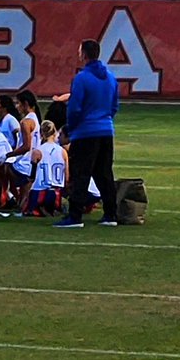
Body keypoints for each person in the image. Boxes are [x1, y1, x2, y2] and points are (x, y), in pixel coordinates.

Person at [54, 40, 118, 229]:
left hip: (85, 132)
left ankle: (75, 216)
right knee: (104, 173)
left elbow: (74, 108)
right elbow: (114, 105)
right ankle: (110, 214)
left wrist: (72, 128)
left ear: (84, 55)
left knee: (80, 174)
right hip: (106, 130)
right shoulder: (111, 77)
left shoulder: (81, 78)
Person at [26, 121, 66, 216]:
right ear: (55, 133)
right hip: (57, 193)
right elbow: (67, 177)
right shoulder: (63, 152)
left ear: (41, 133)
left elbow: (31, 177)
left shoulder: (37, 151)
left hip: (40, 193)